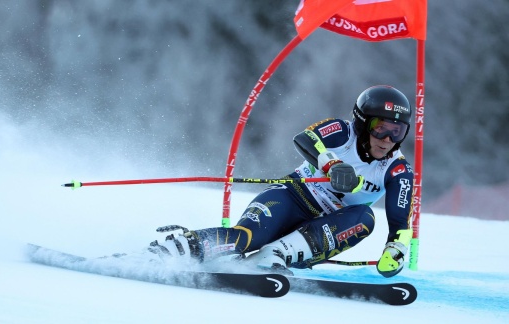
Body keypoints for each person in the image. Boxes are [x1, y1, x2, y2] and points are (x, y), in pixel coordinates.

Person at [148, 85, 414, 278]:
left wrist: (396, 248)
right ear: (362, 122)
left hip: (323, 228)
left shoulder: (397, 169)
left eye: (397, 131)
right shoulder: (342, 131)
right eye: (381, 127)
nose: (387, 139)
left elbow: (400, 223)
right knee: (247, 238)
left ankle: (273, 257)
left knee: (365, 218)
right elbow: (305, 138)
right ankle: (176, 248)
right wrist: (332, 164)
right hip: (291, 197)